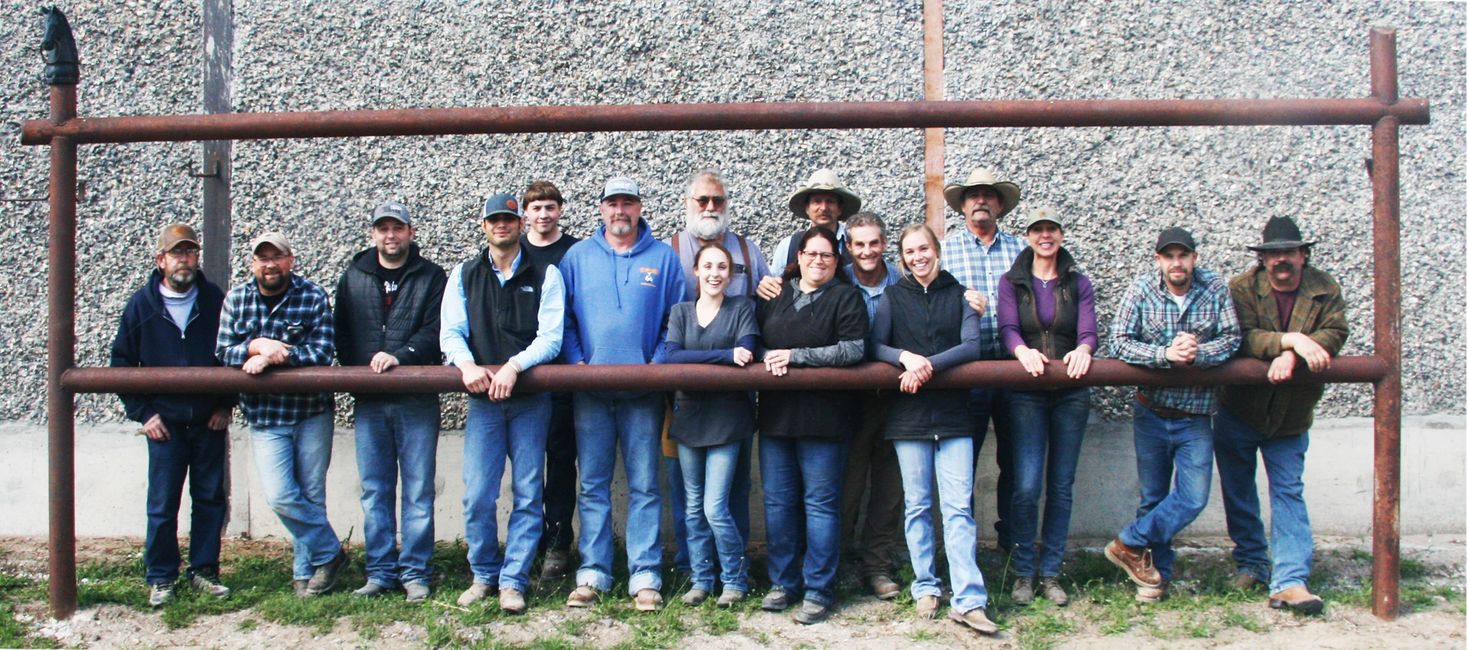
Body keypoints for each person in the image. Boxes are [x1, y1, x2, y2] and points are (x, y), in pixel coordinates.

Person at [559, 176, 686, 611]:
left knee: (646, 485)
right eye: (612, 203)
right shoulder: (577, 257)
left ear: (639, 207)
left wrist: (657, 364)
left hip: (643, 394)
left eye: (628, 203)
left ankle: (645, 574)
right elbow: (566, 319)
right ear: (601, 209)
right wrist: (577, 363)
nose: (620, 211)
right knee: (593, 484)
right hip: (590, 393)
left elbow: (677, 319)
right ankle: (593, 572)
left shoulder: (664, 259)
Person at [1216, 216, 1347, 615]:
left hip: (1292, 414)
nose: (1280, 261)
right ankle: (1252, 562)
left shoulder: (1325, 289)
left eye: (1288, 252)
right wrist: (1289, 340)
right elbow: (1240, 337)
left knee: (1288, 491)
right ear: (1263, 259)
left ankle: (1290, 580)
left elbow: (1336, 332)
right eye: (1272, 254)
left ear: (1303, 255)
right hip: (1240, 408)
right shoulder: (1241, 288)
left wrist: (1294, 353)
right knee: (1238, 490)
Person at [440, 193, 565, 614]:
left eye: (509, 219)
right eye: (495, 219)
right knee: (478, 494)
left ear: (519, 224)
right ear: (484, 225)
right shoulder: (465, 274)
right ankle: (483, 574)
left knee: (529, 493)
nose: (502, 226)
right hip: (483, 402)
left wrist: (514, 366)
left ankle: (513, 581)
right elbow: (451, 332)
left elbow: (551, 337)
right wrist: (466, 365)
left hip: (531, 400)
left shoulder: (546, 272)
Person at [871, 224, 994, 634]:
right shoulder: (892, 297)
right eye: (909, 252)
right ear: (902, 258)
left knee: (958, 508)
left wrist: (926, 367)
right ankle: (925, 585)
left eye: (923, 248)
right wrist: (907, 357)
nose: (917, 256)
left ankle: (969, 598)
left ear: (936, 250)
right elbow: (876, 346)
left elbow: (971, 347)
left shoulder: (960, 295)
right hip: (908, 417)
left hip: (955, 416)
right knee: (918, 506)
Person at [1106, 227, 1241, 602]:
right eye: (1169, 256)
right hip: (1151, 410)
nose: (1176, 263)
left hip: (1195, 414)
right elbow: (1118, 341)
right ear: (1158, 260)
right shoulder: (1142, 288)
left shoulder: (1214, 288)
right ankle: (1154, 577)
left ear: (1194, 259)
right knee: (1153, 498)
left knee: (1193, 496)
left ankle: (1128, 541)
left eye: (1183, 255)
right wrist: (1164, 354)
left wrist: (1200, 352)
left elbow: (1232, 339)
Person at [110, 223, 234, 607]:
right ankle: (161, 576)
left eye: (190, 253)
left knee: (210, 498)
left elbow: (231, 352)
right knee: (163, 504)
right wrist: (143, 414)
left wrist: (225, 405)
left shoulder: (214, 299)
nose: (185, 260)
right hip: (164, 424)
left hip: (207, 420)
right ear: (160, 260)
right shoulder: (142, 305)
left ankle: (204, 571)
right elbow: (122, 363)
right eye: (176, 253)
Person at [216, 231, 344, 597]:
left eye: (278, 257)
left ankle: (307, 577)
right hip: (266, 415)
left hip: (311, 412)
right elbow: (223, 352)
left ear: (291, 260)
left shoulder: (312, 295)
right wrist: (256, 345)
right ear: (253, 263)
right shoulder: (237, 299)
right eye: (263, 258)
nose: (270, 264)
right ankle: (330, 553)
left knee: (311, 494)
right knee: (281, 496)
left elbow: (322, 351)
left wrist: (278, 355)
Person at [334, 201, 447, 602]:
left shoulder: (432, 276)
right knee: (375, 489)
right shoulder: (354, 277)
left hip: (416, 397)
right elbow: (342, 335)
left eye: (397, 228)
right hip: (370, 402)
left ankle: (415, 571)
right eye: (383, 228)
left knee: (418, 490)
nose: (390, 235)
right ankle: (380, 571)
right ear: (373, 234)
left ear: (410, 233)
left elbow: (438, 330)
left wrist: (402, 357)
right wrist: (360, 378)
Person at [755, 227, 868, 624]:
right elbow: (755, 342)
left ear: (837, 262)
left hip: (826, 420)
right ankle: (783, 582)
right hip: (775, 418)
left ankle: (819, 587)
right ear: (798, 256)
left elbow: (854, 348)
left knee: (820, 505)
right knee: (778, 504)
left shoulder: (845, 297)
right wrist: (770, 354)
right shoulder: (774, 295)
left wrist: (795, 356)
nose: (818, 261)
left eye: (827, 256)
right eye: (812, 254)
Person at [662, 170, 770, 577]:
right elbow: (668, 343)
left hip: (733, 400)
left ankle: (734, 572)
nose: (710, 208)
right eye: (702, 200)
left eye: (717, 201)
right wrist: (726, 355)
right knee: (686, 491)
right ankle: (694, 568)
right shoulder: (669, 250)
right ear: (688, 203)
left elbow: (760, 316)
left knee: (729, 491)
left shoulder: (747, 250)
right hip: (683, 398)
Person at [996, 207, 1098, 607]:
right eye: (1037, 229)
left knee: (1060, 485)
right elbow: (1008, 327)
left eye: (1051, 229)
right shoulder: (1012, 282)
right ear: (1028, 235)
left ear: (1060, 234)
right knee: (1026, 484)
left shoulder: (1078, 282)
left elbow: (1088, 329)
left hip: (1071, 392)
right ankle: (1023, 571)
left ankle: (1051, 571)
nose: (1045, 236)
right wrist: (1021, 351)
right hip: (1026, 391)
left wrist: (1085, 349)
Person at [660, 244, 759, 608]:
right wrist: (724, 357)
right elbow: (672, 357)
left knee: (715, 506)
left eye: (722, 267)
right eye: (708, 266)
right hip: (688, 417)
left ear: (730, 275)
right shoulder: (681, 312)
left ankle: (734, 579)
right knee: (692, 507)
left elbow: (747, 352)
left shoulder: (742, 309)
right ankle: (701, 580)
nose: (715, 273)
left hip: (727, 420)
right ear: (696, 271)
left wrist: (724, 358)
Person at [940, 166, 1025, 550]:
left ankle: (1012, 544)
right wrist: (960, 305)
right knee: (963, 464)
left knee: (1016, 462)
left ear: (1000, 204)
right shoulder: (946, 250)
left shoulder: (1020, 251)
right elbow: (935, 305)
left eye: (988, 194)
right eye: (973, 195)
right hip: (967, 372)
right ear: (962, 205)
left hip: (1013, 369)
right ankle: (965, 549)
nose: (980, 200)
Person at [835, 212, 905, 599]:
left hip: (897, 398)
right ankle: (842, 563)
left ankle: (876, 564)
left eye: (873, 243)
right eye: (859, 244)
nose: (867, 251)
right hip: (848, 402)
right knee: (846, 487)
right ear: (848, 247)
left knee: (890, 488)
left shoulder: (900, 279)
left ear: (884, 244)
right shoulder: (836, 277)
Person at [518, 180, 582, 581]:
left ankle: (558, 543)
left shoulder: (574, 252)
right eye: (536, 207)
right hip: (519, 377)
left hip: (561, 376)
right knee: (524, 468)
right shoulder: (511, 250)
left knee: (560, 463)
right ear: (526, 213)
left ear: (560, 210)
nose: (543, 214)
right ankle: (527, 544)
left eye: (550, 207)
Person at [757, 168, 862, 299]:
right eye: (817, 201)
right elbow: (774, 288)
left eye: (830, 201)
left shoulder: (856, 245)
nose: (823, 208)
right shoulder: (788, 245)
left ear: (840, 208)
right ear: (807, 208)